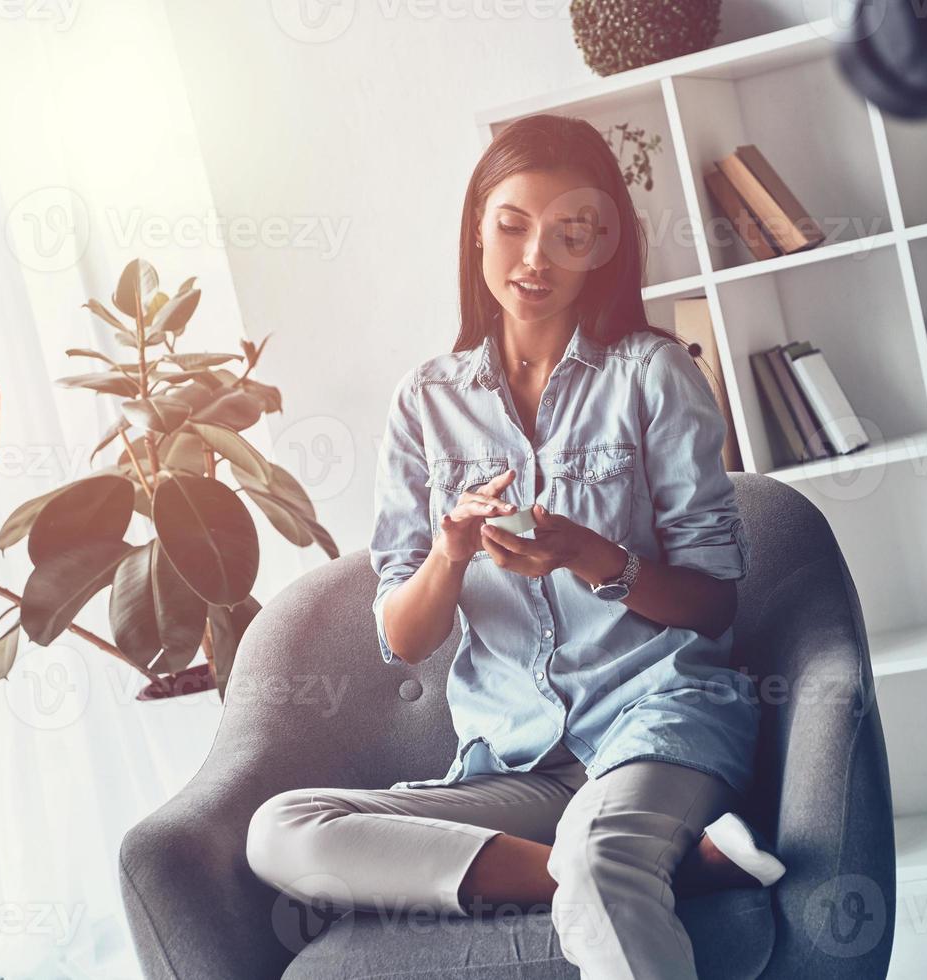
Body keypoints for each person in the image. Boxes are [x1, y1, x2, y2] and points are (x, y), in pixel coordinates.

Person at [246, 113, 783, 979]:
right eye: (511, 225)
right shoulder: (424, 401)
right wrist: (449, 554)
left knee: (605, 859)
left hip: (657, 723)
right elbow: (404, 638)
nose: (536, 257)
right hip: (513, 766)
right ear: (476, 231)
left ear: (601, 247)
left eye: (569, 232)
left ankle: (614, 868)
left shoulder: (653, 375)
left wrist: (589, 555)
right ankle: (667, 870)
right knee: (283, 830)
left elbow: (714, 604)